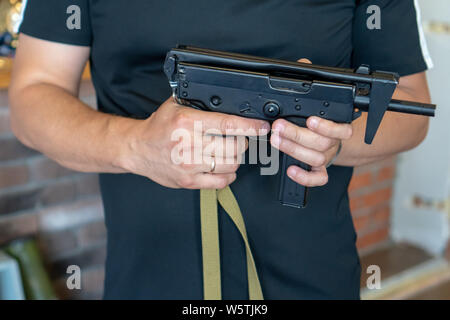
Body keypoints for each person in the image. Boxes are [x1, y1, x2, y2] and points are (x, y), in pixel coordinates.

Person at [9, 0, 432, 299]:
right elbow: (32, 95)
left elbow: (410, 104)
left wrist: (335, 140)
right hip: (150, 275)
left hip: (311, 275)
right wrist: (134, 146)